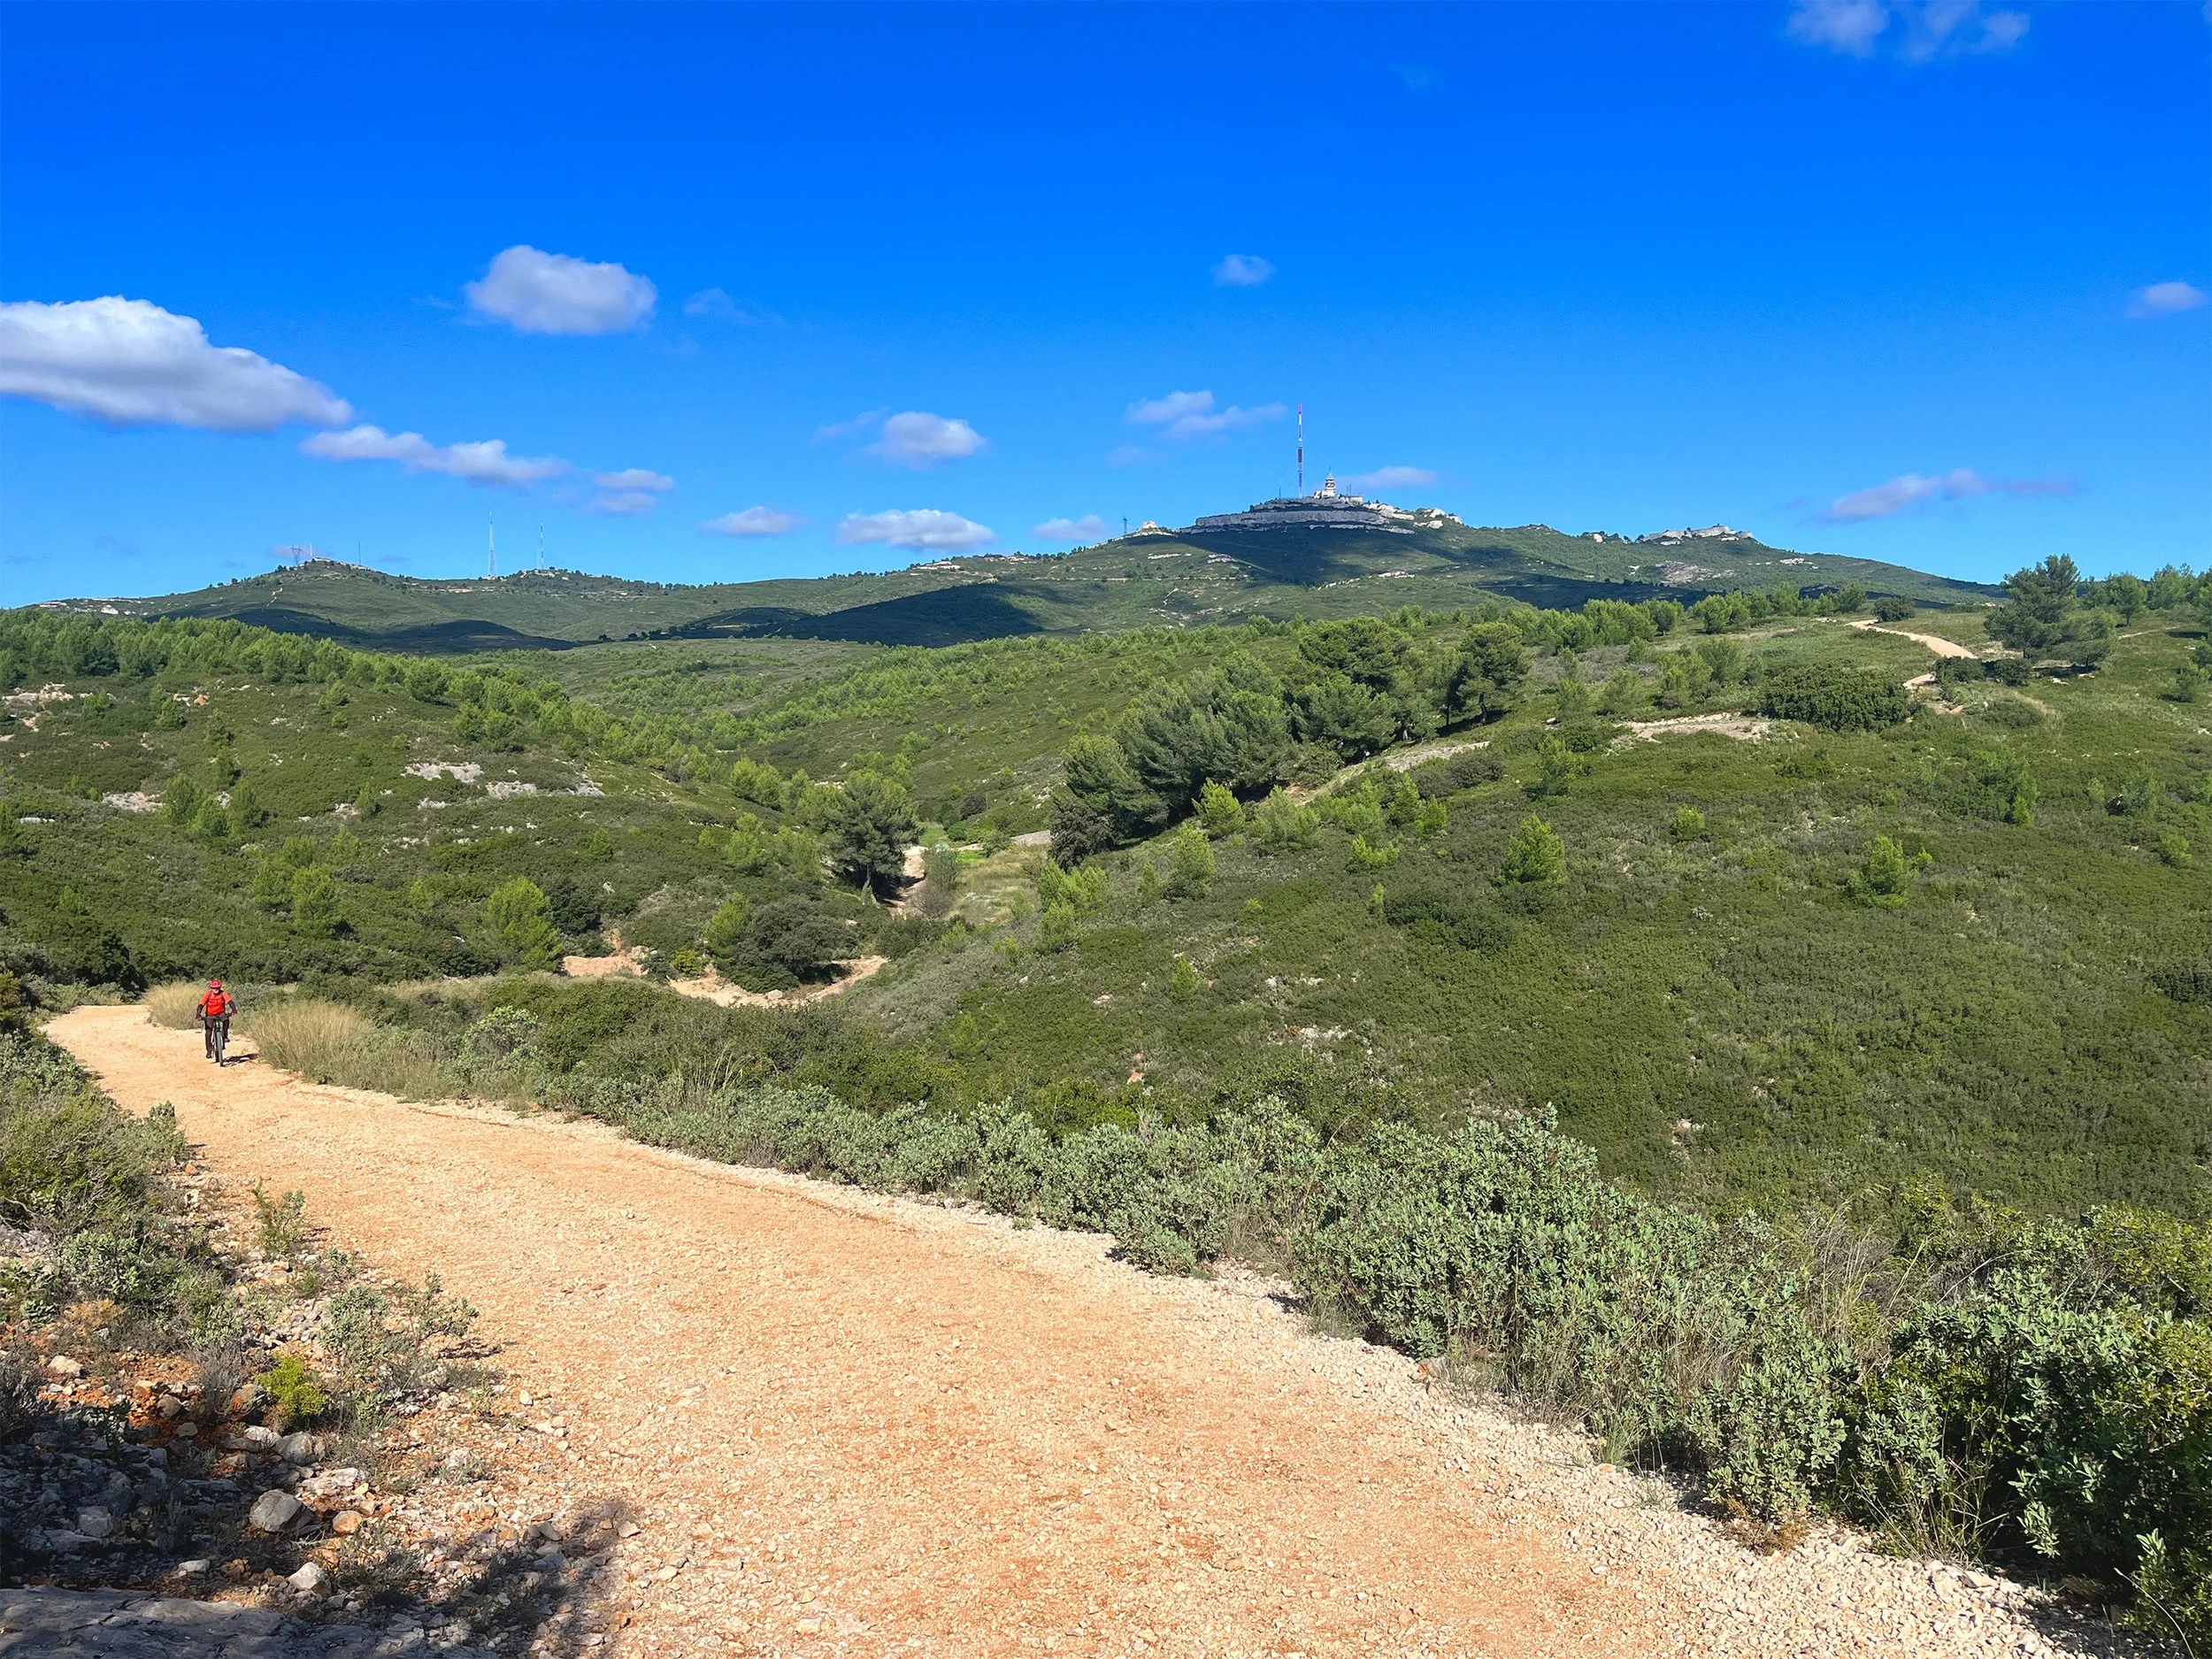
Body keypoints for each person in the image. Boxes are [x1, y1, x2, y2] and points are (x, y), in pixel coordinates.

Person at [196, 979, 233, 1064]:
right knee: (208, 1031)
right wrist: (198, 1014)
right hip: (210, 1015)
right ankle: (209, 1049)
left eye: (217, 988)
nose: (216, 989)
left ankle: (225, 1036)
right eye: (214, 988)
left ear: (220, 987)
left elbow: (230, 1002)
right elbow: (201, 1005)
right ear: (211, 988)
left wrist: (233, 1010)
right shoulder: (208, 995)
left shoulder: (223, 994)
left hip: (220, 1013)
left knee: (226, 1019)